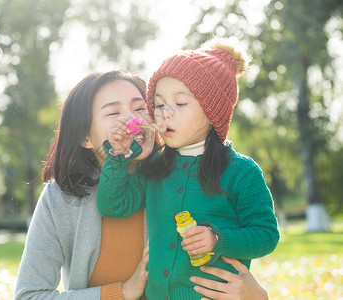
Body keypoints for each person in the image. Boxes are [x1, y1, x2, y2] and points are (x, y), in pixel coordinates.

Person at [14, 70, 271, 300]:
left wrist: (257, 298)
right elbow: (30, 296)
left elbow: (251, 237)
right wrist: (122, 292)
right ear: (84, 137)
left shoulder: (182, 174)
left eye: (140, 108)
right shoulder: (60, 199)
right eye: (114, 113)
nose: (133, 121)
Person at [96, 38, 280, 300]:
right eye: (158, 105)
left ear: (213, 112)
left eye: (180, 103)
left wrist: (218, 239)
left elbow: (266, 235)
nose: (165, 114)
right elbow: (112, 205)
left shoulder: (242, 172)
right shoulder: (155, 167)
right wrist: (118, 155)